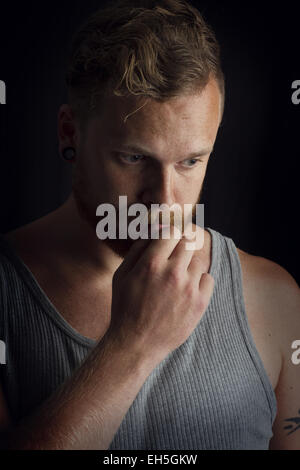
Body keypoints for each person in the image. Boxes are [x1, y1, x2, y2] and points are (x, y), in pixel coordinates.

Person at [0, 0, 299, 450]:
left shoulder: (275, 299)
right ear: (69, 134)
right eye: (134, 158)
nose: (162, 198)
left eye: (190, 162)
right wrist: (132, 345)